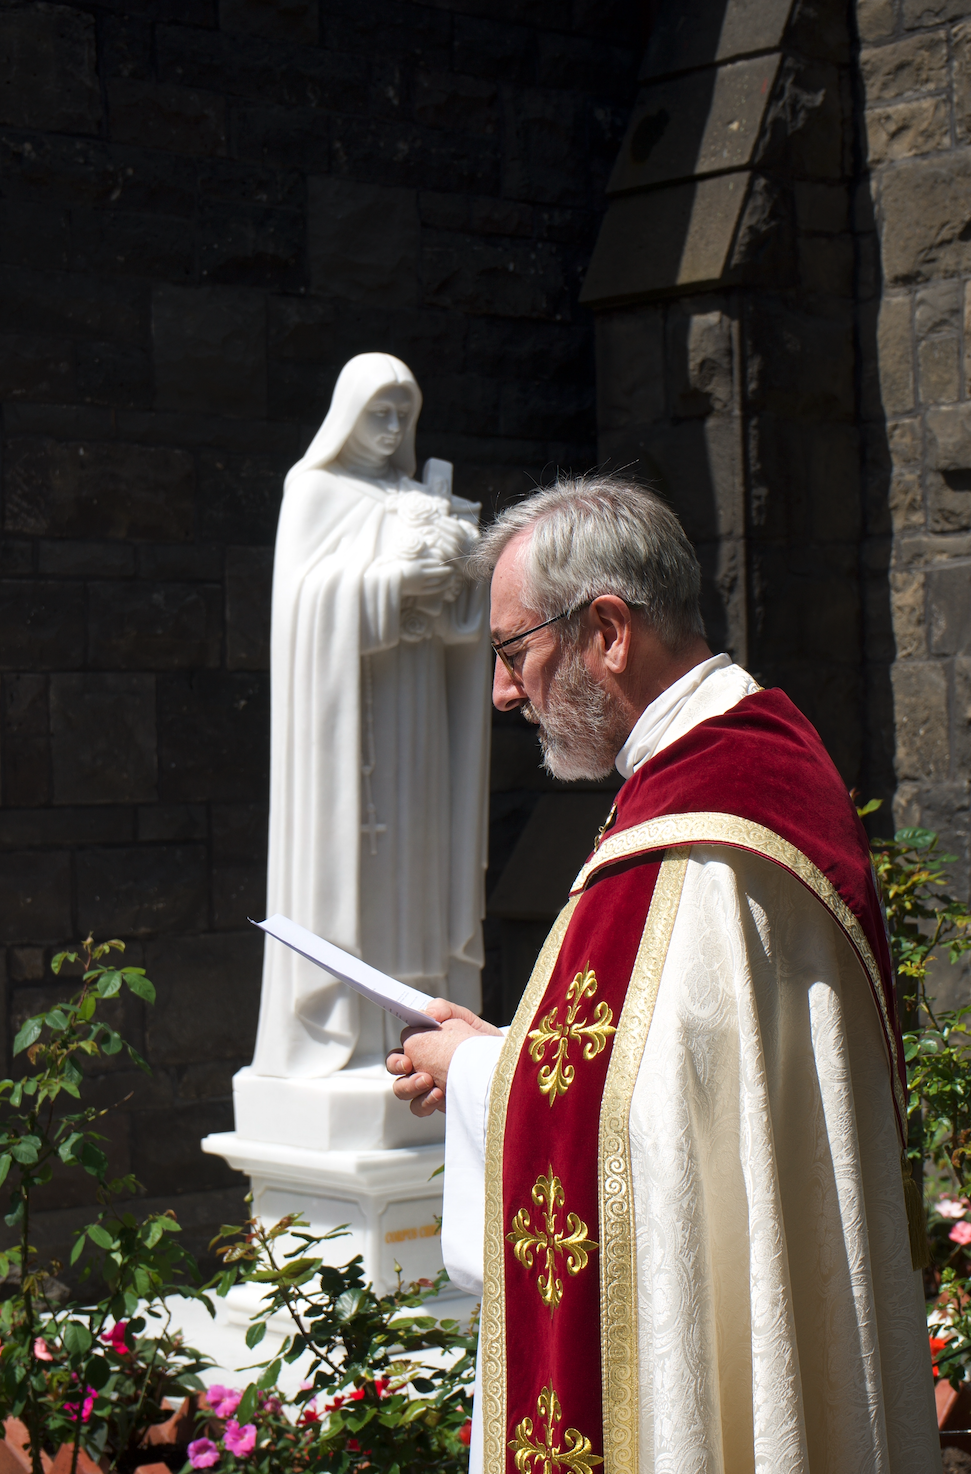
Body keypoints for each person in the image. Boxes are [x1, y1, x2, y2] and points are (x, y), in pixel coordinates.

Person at [387, 475, 940, 1474]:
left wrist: (472, 1071)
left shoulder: (699, 831)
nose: (507, 692)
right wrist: (503, 1051)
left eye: (516, 652)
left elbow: (648, 1123)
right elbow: (683, 1080)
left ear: (607, 629)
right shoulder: (758, 753)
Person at [251, 353, 489, 1082]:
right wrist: (391, 586)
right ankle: (348, 1034)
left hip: (417, 714)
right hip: (346, 733)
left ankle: (421, 1029)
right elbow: (300, 609)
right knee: (357, 868)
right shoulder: (314, 489)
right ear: (348, 416)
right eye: (377, 414)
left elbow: (465, 630)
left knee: (417, 865)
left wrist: (453, 585)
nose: (390, 430)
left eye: (402, 416)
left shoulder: (423, 497)